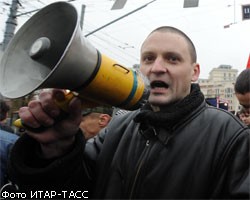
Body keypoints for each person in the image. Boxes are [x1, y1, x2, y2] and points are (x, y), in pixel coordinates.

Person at [4, 26, 249, 199]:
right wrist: (57, 149)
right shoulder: (117, 129)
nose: (157, 68)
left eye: (172, 59)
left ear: (194, 72)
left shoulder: (231, 137)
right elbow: (71, 191)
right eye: (148, 58)